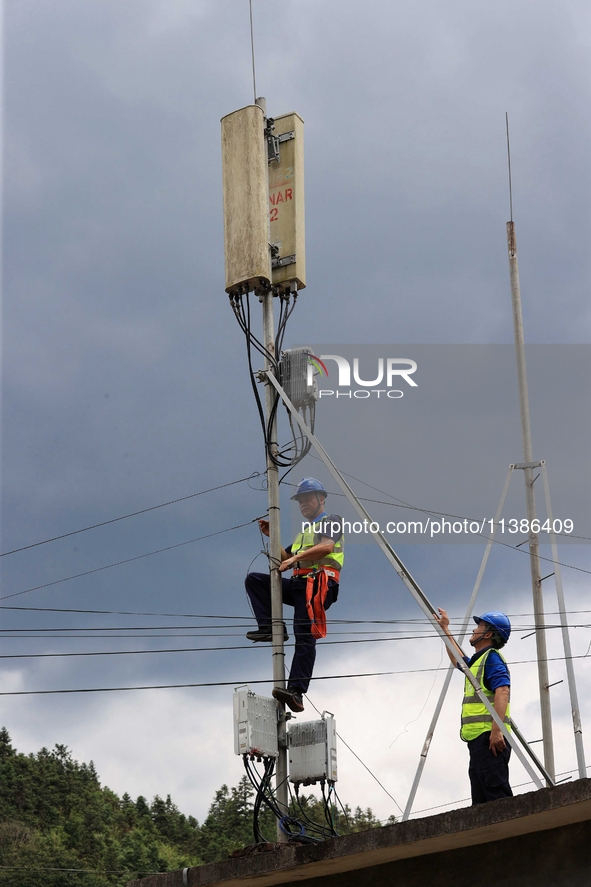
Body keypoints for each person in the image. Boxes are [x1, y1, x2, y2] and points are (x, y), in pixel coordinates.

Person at [245, 478, 344, 713]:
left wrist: (294, 559)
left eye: (308, 499)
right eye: (300, 501)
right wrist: (273, 536)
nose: (303, 504)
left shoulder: (332, 521)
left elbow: (327, 547)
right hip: (299, 584)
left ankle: (297, 692)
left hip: (319, 584)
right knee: (256, 581)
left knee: (304, 632)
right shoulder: (305, 533)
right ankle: (269, 627)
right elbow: (284, 559)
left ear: (321, 499)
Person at [434, 607, 513, 805]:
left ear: (487, 634)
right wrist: (445, 629)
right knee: (481, 803)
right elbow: (458, 659)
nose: (474, 629)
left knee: (497, 799)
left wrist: (497, 731)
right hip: (479, 741)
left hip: (490, 739)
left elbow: (502, 690)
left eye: (479, 626)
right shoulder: (479, 660)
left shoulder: (492, 658)